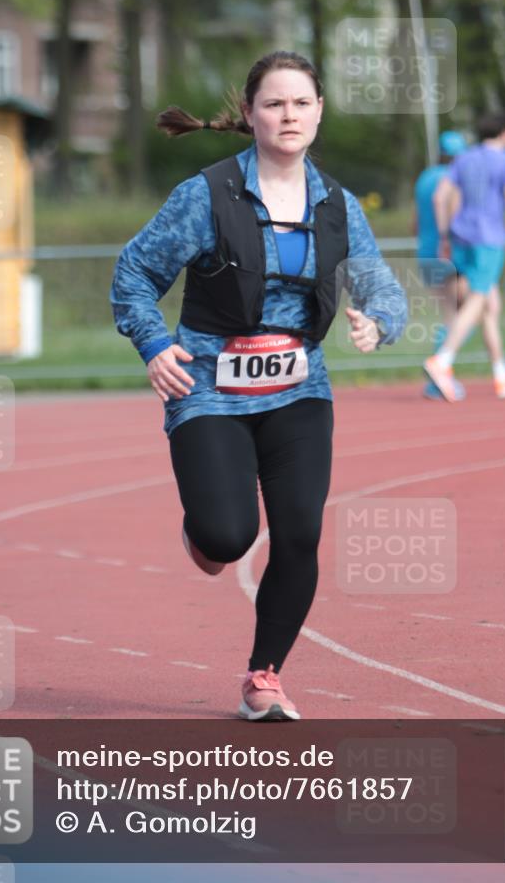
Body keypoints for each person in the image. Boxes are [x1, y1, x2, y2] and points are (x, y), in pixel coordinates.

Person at [110, 50, 407, 721]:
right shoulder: (205, 194)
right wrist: (154, 344)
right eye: (274, 103)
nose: (288, 115)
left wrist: (380, 320)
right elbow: (132, 276)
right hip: (209, 384)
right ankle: (207, 535)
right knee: (227, 536)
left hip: (300, 388)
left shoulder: (336, 204)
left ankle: (264, 676)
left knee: (299, 533)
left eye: (301, 103)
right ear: (249, 114)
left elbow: (378, 280)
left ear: (319, 111)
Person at [425, 113, 505, 400]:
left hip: (461, 237)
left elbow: (440, 196)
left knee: (490, 306)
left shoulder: (464, 159)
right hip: (488, 240)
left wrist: (444, 235)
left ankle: (501, 374)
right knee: (478, 299)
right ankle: (443, 359)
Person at [413, 130, 469, 400]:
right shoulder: (453, 180)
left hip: (425, 252)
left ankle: (440, 372)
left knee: (450, 314)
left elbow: (416, 221)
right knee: (464, 312)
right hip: (449, 253)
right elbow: (456, 215)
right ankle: (439, 373)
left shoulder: (424, 178)